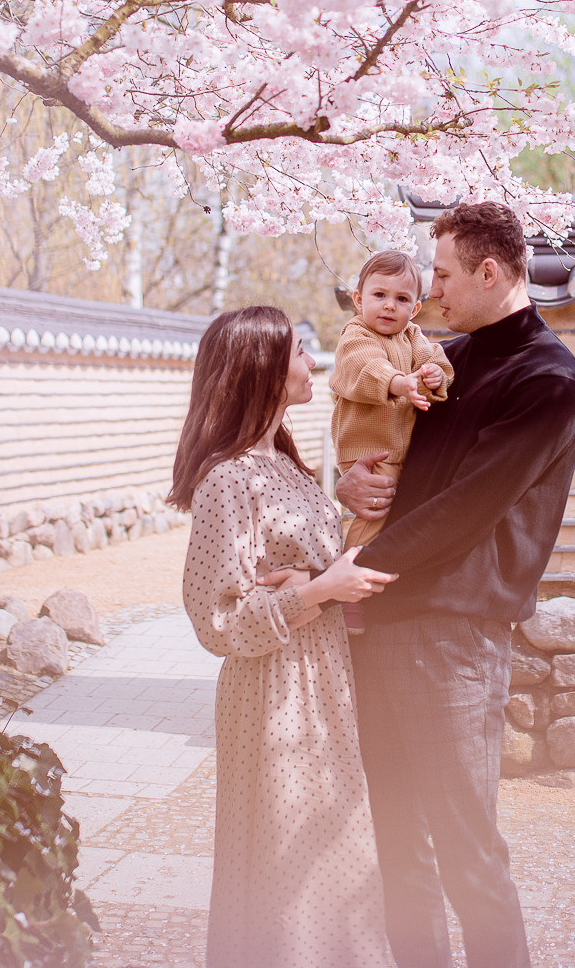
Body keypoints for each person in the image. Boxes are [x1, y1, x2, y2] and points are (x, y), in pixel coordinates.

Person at [335, 201, 575, 968]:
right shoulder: (441, 361)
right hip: (382, 618)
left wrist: (348, 576)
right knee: (398, 848)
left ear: (488, 271)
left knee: (467, 852)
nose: (429, 292)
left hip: (453, 636)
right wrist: (347, 485)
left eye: (441, 275)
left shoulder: (549, 380)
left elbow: (463, 511)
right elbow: (378, 445)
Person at [170, 305, 401, 968]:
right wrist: (317, 591)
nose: (313, 363)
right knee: (287, 856)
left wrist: (338, 501)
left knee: (333, 850)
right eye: (300, 353)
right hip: (274, 691)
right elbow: (216, 619)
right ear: (262, 370)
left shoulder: (283, 463)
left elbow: (294, 553)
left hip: (322, 681)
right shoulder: (228, 477)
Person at [329, 250, 454, 632]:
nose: (389, 306)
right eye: (379, 295)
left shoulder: (413, 337)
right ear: (358, 299)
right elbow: (364, 367)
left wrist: (434, 375)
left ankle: (378, 582)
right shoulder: (356, 335)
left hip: (402, 450)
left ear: (415, 309)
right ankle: (345, 592)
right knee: (372, 516)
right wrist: (400, 383)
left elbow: (438, 360)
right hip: (368, 450)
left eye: (401, 299)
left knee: (401, 517)